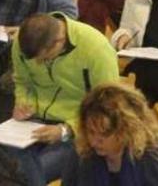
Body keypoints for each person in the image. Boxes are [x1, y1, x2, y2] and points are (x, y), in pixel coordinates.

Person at [9, 12, 120, 186]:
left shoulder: (96, 49)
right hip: (33, 123)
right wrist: (24, 103)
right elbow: (22, 81)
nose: (39, 63)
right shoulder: (23, 43)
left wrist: (67, 129)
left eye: (44, 58)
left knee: (27, 173)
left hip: (82, 128)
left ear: (59, 41)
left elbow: (109, 104)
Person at [69, 82, 158, 185]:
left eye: (104, 134)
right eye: (91, 132)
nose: (94, 141)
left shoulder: (157, 161)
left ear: (127, 130)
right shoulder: (82, 155)